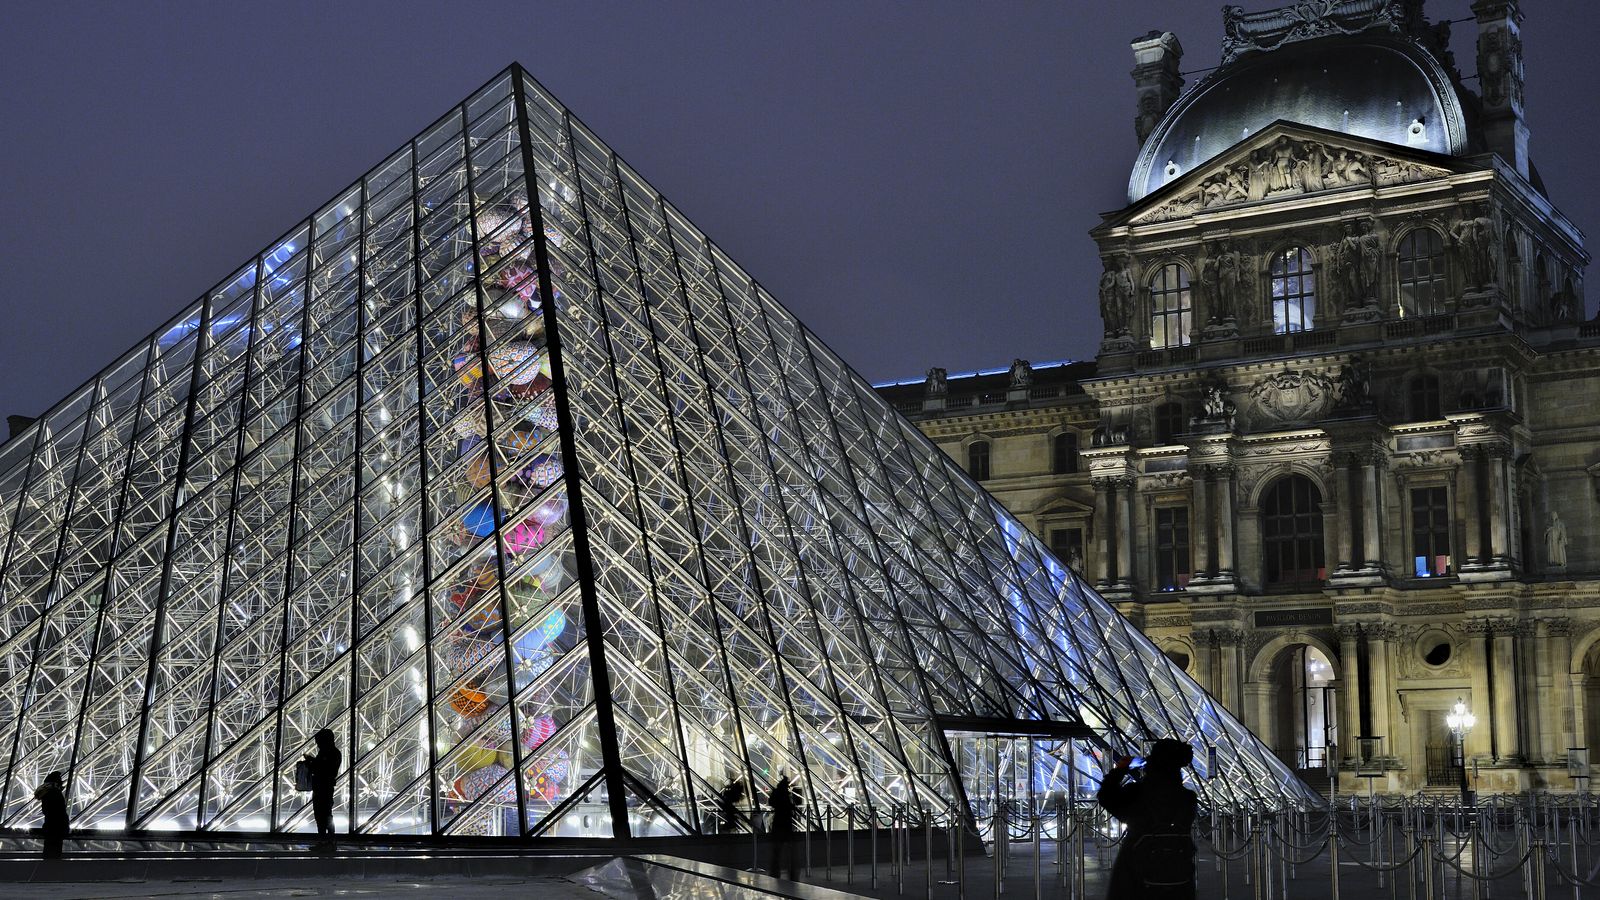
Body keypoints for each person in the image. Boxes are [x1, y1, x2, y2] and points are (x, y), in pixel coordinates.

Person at [1096, 739, 1198, 899]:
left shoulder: (1136, 793)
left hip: (1135, 877)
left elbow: (1106, 796)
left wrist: (1121, 769)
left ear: (1152, 763)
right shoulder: (1188, 798)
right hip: (1178, 877)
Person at [304, 728, 341, 850]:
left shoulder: (331, 753)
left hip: (324, 788)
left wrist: (312, 762)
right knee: (321, 816)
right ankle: (326, 842)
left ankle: (329, 842)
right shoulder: (330, 752)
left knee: (324, 816)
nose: (317, 744)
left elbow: (324, 769)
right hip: (321, 787)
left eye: (319, 741)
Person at [766, 774, 801, 880]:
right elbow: (789, 806)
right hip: (786, 825)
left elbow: (771, 803)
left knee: (777, 851)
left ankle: (775, 872)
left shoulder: (776, 793)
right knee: (789, 851)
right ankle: (792, 874)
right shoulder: (785, 794)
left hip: (777, 824)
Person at [34, 771, 68, 859]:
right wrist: (64, 827)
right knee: (54, 857)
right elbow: (59, 812)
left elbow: (47, 811)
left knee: (49, 856)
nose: (61, 781)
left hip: (50, 829)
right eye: (60, 779)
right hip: (56, 829)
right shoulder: (55, 793)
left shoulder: (47, 793)